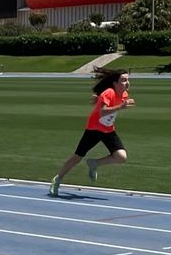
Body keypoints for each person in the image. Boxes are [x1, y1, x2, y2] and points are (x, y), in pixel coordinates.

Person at [49, 69, 135, 197]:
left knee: (121, 157)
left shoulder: (123, 94)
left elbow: (112, 103)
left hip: (108, 129)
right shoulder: (109, 92)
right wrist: (120, 107)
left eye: (128, 80)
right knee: (77, 157)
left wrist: (104, 100)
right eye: (123, 80)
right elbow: (103, 112)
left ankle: (94, 163)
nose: (127, 83)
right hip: (94, 129)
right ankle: (57, 179)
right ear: (115, 83)